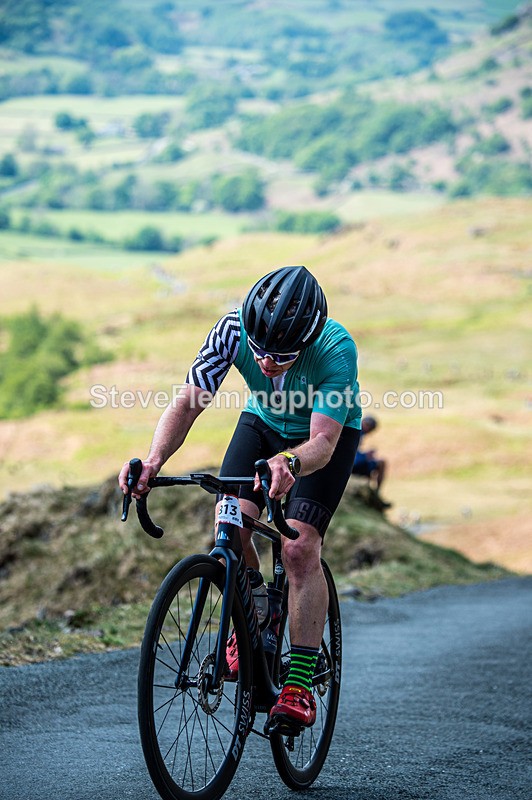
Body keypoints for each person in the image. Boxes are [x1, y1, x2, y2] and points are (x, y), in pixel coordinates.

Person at [118, 265, 362, 731]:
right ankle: (257, 610)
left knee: (297, 546)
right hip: (262, 424)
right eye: (259, 352)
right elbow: (189, 401)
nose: (266, 363)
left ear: (306, 342)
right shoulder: (231, 329)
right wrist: (152, 462)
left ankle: (298, 685)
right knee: (229, 520)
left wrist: (289, 464)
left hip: (321, 441)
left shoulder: (335, 347)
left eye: (282, 356)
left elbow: (323, 444)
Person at [351, 415, 387, 494]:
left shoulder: (359, 432)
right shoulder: (358, 432)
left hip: (354, 462)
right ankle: (376, 493)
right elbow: (353, 455)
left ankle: (371, 492)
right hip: (353, 464)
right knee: (381, 463)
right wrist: (366, 455)